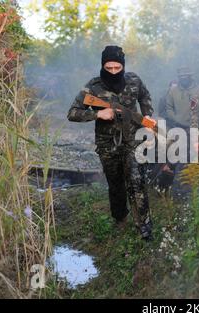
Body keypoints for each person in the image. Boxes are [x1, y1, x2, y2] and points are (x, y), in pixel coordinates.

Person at [67, 45, 154, 241]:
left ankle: (145, 228)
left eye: (117, 68)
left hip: (132, 140)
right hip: (107, 144)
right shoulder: (93, 87)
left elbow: (145, 97)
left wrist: (148, 117)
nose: (113, 72)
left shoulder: (134, 81)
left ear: (123, 66)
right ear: (102, 66)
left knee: (136, 181)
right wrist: (97, 113)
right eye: (109, 68)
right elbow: (72, 113)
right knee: (115, 184)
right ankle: (120, 219)